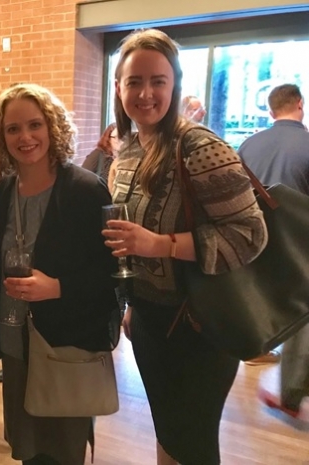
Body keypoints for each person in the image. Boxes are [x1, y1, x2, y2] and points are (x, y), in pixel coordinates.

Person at [103, 29, 267, 464]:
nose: (145, 92)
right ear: (118, 87)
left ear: (174, 84)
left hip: (200, 327)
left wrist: (162, 244)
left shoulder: (201, 147)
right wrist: (134, 305)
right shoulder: (130, 149)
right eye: (133, 81)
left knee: (192, 441)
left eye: (157, 80)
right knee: (171, 433)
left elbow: (250, 234)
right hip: (152, 322)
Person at [0, 83, 119, 465]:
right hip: (14, 342)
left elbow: (113, 280)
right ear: (0, 136)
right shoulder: (0, 193)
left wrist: (57, 287)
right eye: (13, 129)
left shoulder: (86, 191)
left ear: (52, 127)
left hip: (65, 348)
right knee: (28, 450)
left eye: (35, 125)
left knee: (63, 452)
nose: (25, 137)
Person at [238, 83, 309, 418]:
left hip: (257, 245)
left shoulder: (249, 144)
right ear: (300, 104)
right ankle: (292, 390)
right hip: (301, 247)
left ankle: (254, 346)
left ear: (270, 110)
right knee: (303, 311)